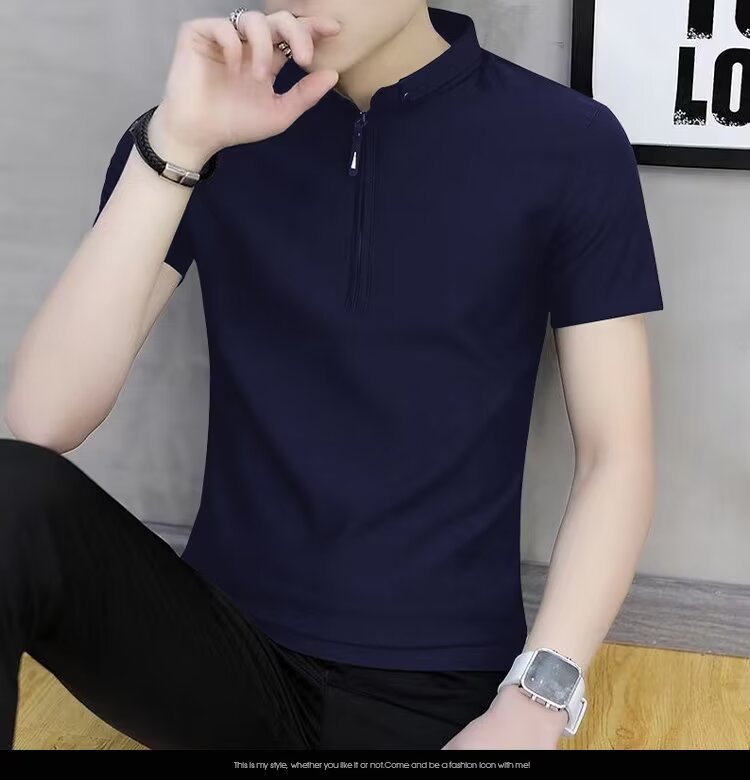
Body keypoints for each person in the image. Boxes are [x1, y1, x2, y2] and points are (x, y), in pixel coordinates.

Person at [1, 1, 664, 750]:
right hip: (222, 655)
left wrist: (535, 704)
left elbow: (616, 456)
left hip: (442, 687)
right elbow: (44, 419)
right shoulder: (200, 130)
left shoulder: (568, 142)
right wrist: (179, 144)